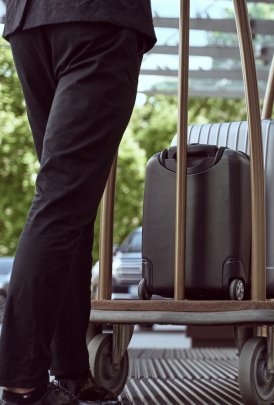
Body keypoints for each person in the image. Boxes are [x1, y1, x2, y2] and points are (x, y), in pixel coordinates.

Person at [0, 1, 156, 404]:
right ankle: (22, 380)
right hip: (97, 18)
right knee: (62, 200)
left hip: (30, 22)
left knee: (70, 203)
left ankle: (69, 368)